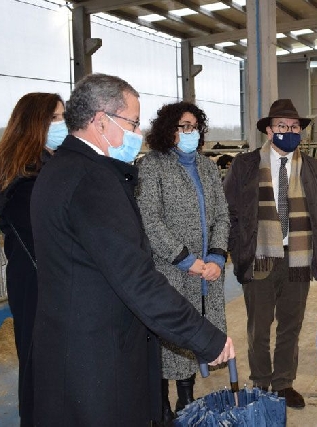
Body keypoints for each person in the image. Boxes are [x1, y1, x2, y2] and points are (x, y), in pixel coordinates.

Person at [30, 73, 234, 426]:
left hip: (73, 344)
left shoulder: (62, 169)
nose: (137, 134)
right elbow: (136, 278)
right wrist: (204, 336)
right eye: (132, 123)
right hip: (96, 357)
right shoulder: (92, 182)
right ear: (100, 121)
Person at [223, 99, 317, 408]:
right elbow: (228, 210)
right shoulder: (245, 165)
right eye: (282, 126)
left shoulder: (311, 167)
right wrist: (238, 248)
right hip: (259, 255)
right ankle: (260, 381)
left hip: (298, 256)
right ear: (269, 131)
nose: (289, 131)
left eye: (295, 127)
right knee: (259, 326)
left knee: (291, 324)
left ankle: (283, 382)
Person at [136, 101, 230, 420]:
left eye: (194, 126)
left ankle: (187, 399)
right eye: (183, 126)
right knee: (168, 335)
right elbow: (150, 218)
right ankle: (161, 406)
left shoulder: (207, 166)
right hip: (170, 271)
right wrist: (185, 259)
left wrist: (216, 256)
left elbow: (221, 215)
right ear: (168, 130)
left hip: (207, 271)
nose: (191, 132)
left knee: (195, 330)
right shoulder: (153, 165)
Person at [0, 92, 66, 426]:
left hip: (46, 278)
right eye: (54, 118)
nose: (61, 124)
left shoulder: (49, 166)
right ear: (33, 123)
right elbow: (49, 235)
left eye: (63, 116)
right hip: (37, 281)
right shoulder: (24, 178)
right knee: (40, 366)